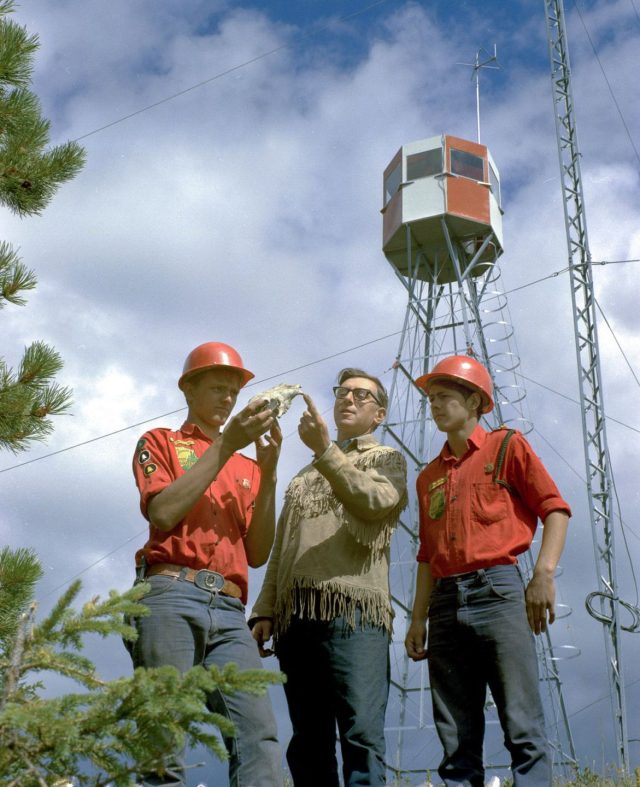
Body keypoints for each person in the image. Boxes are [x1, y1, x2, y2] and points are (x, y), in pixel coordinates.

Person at [404, 355, 572, 786]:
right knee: (456, 739)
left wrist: (543, 574)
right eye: (431, 399)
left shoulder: (506, 446)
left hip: (498, 593)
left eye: (444, 396)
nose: (435, 405)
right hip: (443, 603)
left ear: (475, 400)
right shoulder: (428, 478)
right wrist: (418, 617)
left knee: (522, 725)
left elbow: (555, 509)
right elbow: (426, 553)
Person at [129, 341, 283, 787]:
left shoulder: (248, 466)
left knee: (258, 734)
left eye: (233, 392)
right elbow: (162, 512)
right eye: (218, 388)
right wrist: (227, 445)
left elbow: (257, 554)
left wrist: (270, 473)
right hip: (170, 592)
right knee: (163, 729)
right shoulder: (159, 442)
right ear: (189, 389)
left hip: (231, 608)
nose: (227, 400)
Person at [250, 368, 408, 787]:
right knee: (308, 741)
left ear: (379, 414)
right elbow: (283, 548)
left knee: (360, 735)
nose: (348, 399)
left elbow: (376, 502)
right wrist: (263, 610)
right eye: (342, 392)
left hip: (355, 614)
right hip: (296, 618)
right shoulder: (304, 475)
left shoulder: (386, 459)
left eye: (361, 395)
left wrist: (324, 450)